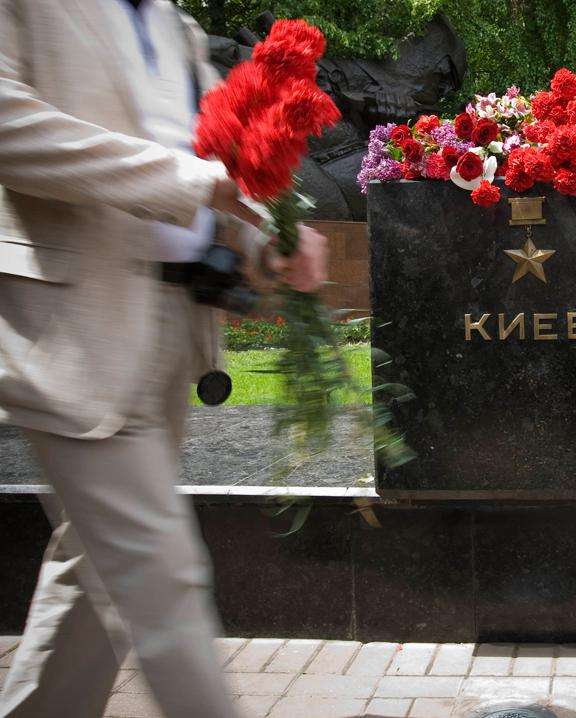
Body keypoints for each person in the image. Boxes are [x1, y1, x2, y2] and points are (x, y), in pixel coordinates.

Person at [0, 1, 327, 717]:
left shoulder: (174, 27)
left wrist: (272, 231)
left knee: (89, 579)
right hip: (73, 329)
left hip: (174, 328)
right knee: (163, 578)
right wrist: (190, 182)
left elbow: (217, 161)